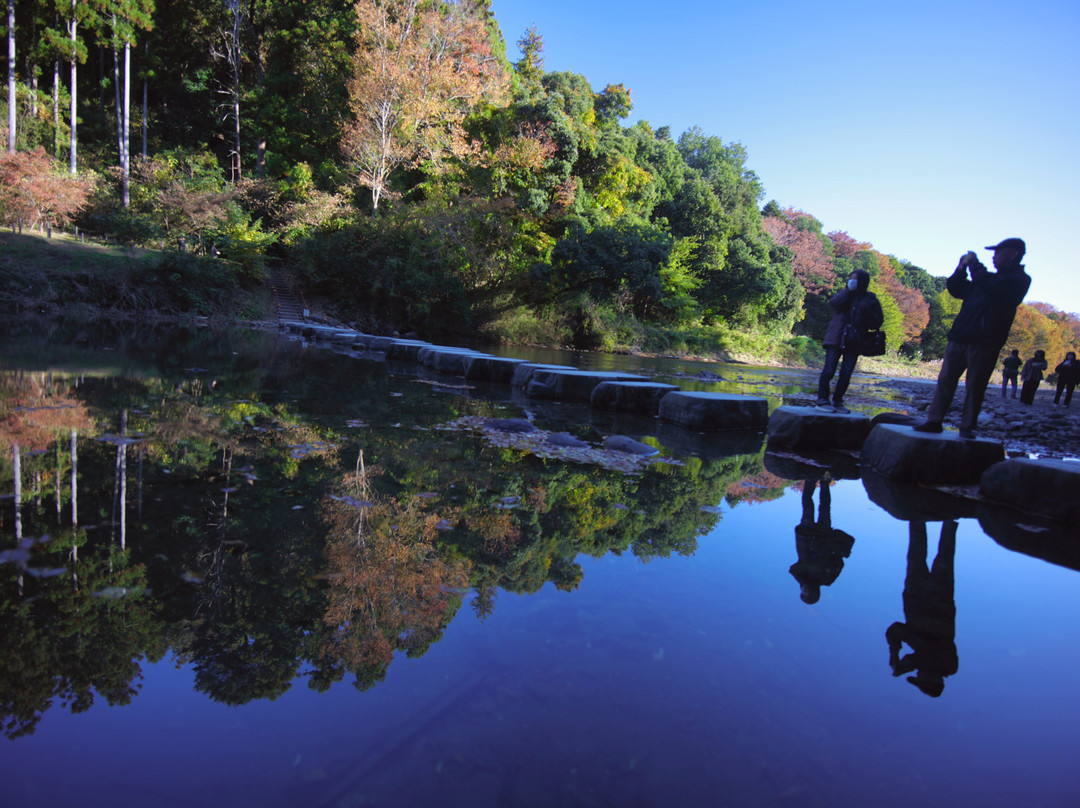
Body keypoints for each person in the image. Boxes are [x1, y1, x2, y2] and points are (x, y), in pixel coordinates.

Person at [914, 238, 1031, 439]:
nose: (994, 256)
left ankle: (967, 427)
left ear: (1012, 254)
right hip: (959, 337)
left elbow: (990, 285)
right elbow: (956, 288)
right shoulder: (984, 280)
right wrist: (960, 269)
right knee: (945, 380)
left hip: (986, 342)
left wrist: (975, 265)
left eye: (998, 252)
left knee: (975, 386)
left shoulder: (1018, 280)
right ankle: (934, 421)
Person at [886, 521, 958, 698]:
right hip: (939, 601)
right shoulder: (948, 665)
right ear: (933, 680)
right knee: (943, 558)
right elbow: (926, 652)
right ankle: (949, 514)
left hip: (916, 597)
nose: (918, 674)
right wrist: (903, 663)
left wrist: (894, 652)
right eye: (920, 677)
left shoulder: (924, 655)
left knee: (918, 553)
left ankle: (916, 513)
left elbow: (896, 629)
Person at [815, 269, 884, 414]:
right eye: (851, 278)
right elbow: (833, 304)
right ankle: (822, 400)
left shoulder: (870, 299)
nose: (852, 280)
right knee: (828, 370)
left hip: (855, 341)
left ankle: (838, 401)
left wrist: (867, 311)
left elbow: (877, 322)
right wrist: (848, 291)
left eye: (856, 278)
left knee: (846, 374)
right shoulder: (845, 294)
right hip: (836, 337)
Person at [789, 478, 855, 604]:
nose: (805, 590)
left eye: (804, 592)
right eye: (806, 593)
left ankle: (810, 479)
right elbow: (839, 563)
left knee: (808, 505)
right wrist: (835, 554)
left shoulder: (802, 577)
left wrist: (806, 581)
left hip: (806, 536)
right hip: (823, 538)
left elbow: (793, 569)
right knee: (824, 507)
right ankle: (824, 482)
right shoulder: (827, 579)